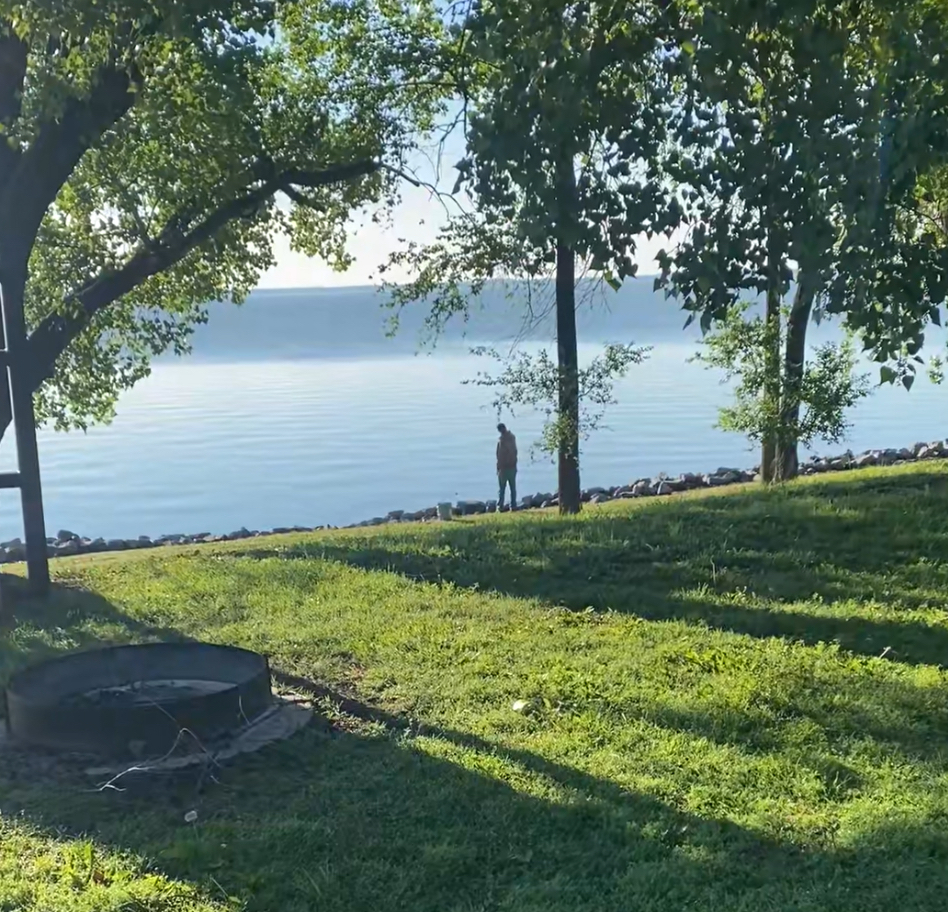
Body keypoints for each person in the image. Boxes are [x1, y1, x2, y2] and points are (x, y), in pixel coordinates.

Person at [496, 423, 518, 510]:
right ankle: (513, 505)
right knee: (511, 487)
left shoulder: (503, 440)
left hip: (505, 467)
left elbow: (500, 455)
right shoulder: (512, 438)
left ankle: (501, 506)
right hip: (511, 466)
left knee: (502, 488)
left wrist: (499, 467)